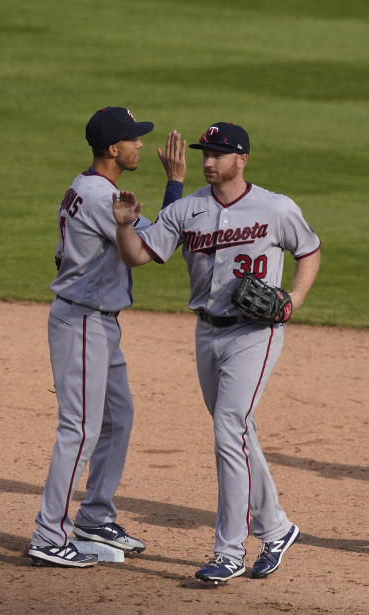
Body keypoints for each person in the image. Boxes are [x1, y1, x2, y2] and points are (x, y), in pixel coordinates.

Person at [111, 121, 321, 583]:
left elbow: (310, 250)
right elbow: (139, 256)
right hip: (206, 334)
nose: (207, 161)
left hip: (255, 334)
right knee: (238, 430)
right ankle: (278, 528)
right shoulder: (187, 210)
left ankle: (228, 551)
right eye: (204, 153)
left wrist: (293, 300)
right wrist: (126, 226)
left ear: (241, 160)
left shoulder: (274, 208)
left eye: (218, 154)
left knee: (229, 428)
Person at [28, 107, 187, 567]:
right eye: (133, 140)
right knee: (79, 430)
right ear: (113, 149)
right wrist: (175, 185)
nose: (141, 145)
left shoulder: (87, 187)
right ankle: (48, 535)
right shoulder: (102, 198)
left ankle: (95, 517)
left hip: (96, 321)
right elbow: (146, 250)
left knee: (117, 417)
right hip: (83, 324)